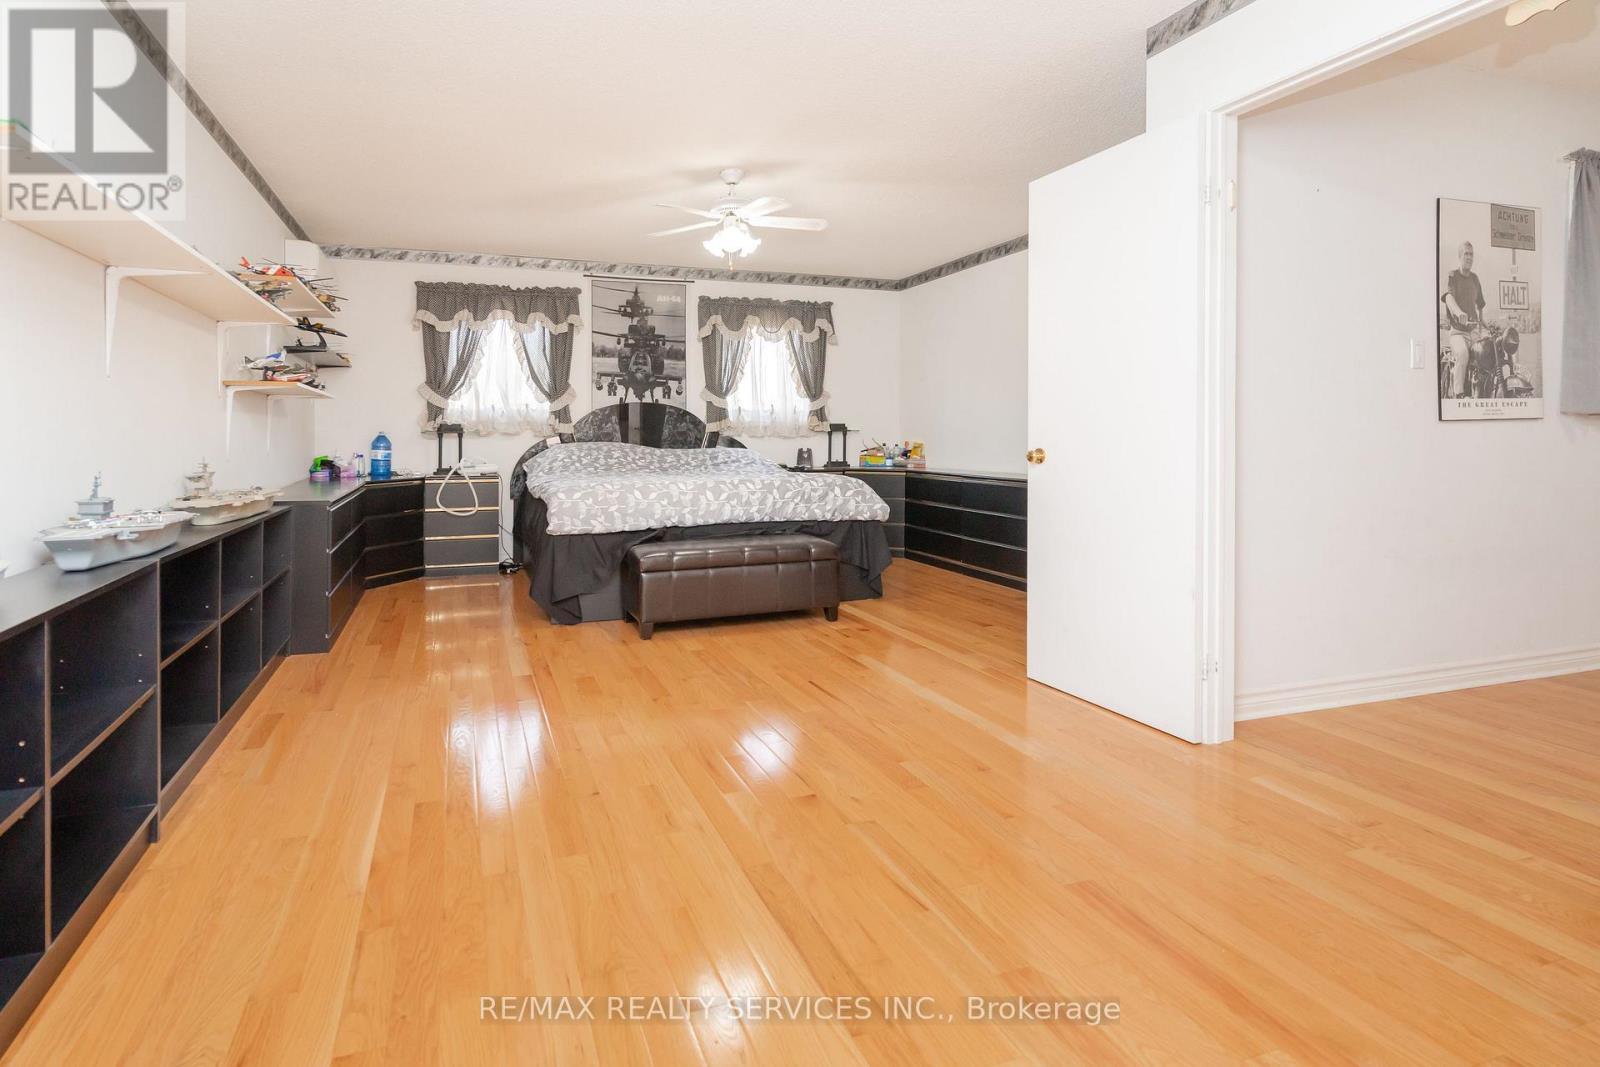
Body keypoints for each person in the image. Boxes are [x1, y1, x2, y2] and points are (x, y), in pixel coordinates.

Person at [1441, 241, 1486, 397]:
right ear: (1460, 256)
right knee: (1462, 354)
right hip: (1457, 332)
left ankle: (1482, 391)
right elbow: (1448, 298)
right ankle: (1459, 395)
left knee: (1487, 354)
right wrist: (1458, 312)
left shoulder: (1475, 279)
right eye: (1466, 254)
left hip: (1473, 332)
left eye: (1471, 254)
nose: (1469, 257)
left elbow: (1480, 305)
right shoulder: (1452, 276)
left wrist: (1484, 327)